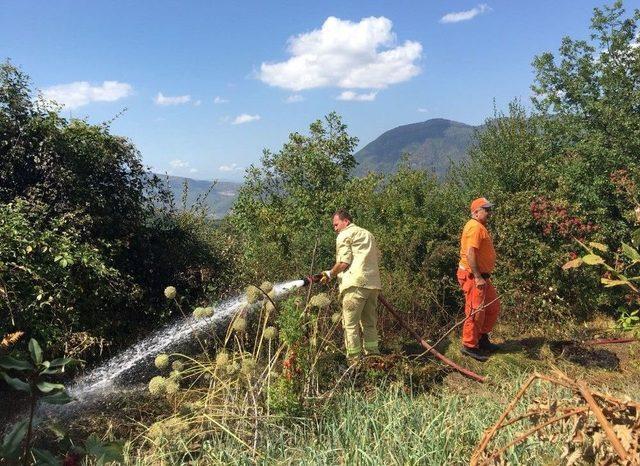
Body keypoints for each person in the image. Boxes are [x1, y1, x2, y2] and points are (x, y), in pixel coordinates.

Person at [319, 209, 382, 363]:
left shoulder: (345, 234)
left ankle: (354, 360)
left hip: (355, 285)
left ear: (345, 221)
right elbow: (376, 257)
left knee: (350, 323)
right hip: (373, 285)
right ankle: (373, 357)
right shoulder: (368, 234)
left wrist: (330, 274)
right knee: (369, 323)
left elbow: (344, 263)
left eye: (336, 224)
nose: (335, 229)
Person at [457, 197, 501, 361]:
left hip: (482, 277)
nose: (489, 212)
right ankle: (469, 345)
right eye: (486, 209)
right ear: (476, 212)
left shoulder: (479, 226)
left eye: (489, 209)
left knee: (492, 307)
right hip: (474, 277)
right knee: (475, 311)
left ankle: (481, 339)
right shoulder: (474, 227)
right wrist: (476, 276)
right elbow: (470, 253)